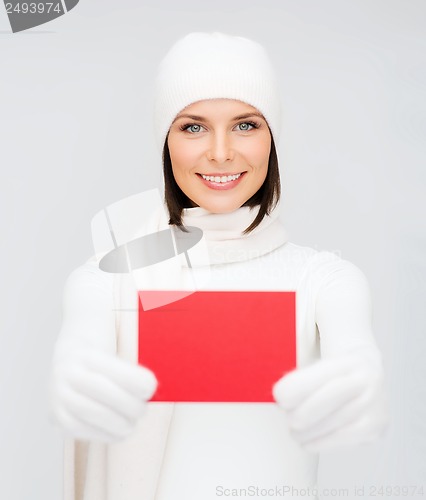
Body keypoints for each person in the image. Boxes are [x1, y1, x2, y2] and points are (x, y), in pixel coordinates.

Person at [49, 32, 388, 500]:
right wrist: (78, 369)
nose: (221, 151)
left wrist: (358, 376)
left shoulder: (324, 280)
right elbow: (83, 338)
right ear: (165, 141)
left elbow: (355, 353)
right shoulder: (109, 279)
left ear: (273, 138)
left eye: (246, 125)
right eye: (193, 127)